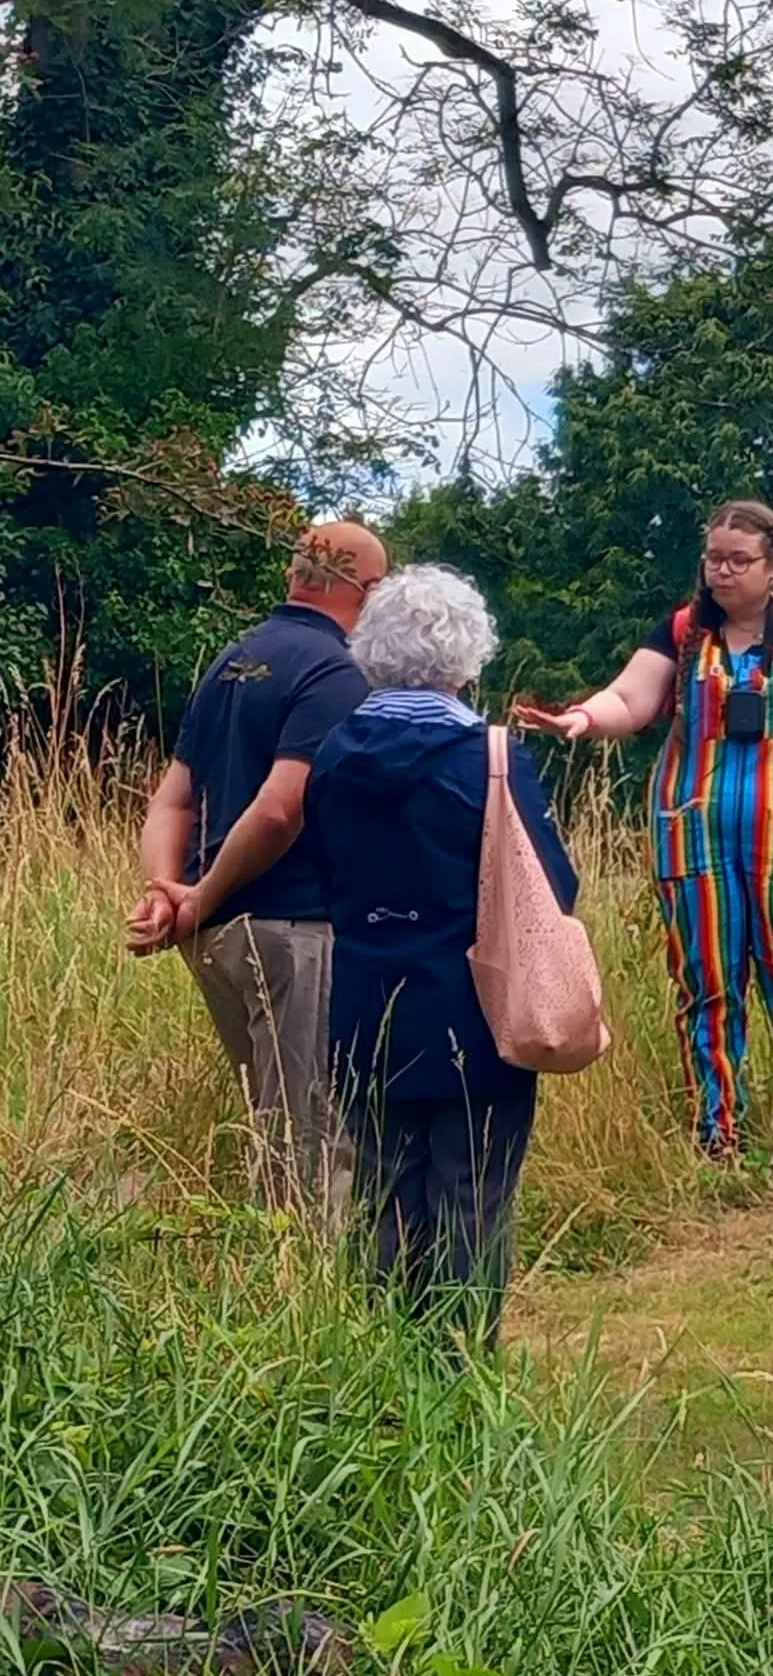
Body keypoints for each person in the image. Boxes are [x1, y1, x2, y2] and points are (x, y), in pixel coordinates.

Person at [515, 501, 773, 1154]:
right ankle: (718, 1137)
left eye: (739, 560)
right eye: (712, 559)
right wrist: (581, 720)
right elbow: (629, 698)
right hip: (693, 834)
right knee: (705, 982)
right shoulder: (681, 632)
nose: (722, 573)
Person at [305, 566, 578, 1347]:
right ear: (467, 657)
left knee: (382, 1191)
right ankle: (458, 1373)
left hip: (363, 997)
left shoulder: (332, 756)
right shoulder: (490, 758)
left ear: (372, 651)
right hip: (475, 1006)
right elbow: (552, 884)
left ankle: (385, 1377)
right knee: (474, 1191)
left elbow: (324, 871)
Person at [126, 521, 389, 1221]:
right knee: (308, 1138)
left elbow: (172, 798)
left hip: (215, 937)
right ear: (369, 591)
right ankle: (307, 1303)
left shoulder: (233, 660)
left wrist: (167, 894)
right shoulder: (335, 672)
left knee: (272, 1126)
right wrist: (195, 896)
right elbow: (281, 810)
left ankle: (275, 1289)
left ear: (293, 576)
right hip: (292, 929)